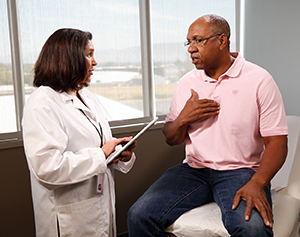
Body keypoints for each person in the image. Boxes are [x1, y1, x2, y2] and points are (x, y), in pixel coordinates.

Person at [127, 14, 288, 236]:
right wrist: (183, 117)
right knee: (138, 215)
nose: (190, 49)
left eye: (197, 40)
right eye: (188, 42)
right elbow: (171, 137)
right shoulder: (187, 82)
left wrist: (258, 182)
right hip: (194, 170)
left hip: (240, 171)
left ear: (221, 41)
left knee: (253, 230)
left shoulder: (259, 79)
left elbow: (277, 142)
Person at [22, 28, 137, 237]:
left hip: (98, 208)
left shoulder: (86, 96)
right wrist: (101, 154)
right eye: (89, 54)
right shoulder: (42, 102)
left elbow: (99, 142)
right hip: (68, 219)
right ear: (68, 57)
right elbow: (46, 168)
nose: (95, 62)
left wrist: (119, 153)